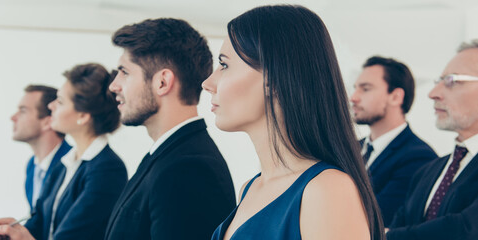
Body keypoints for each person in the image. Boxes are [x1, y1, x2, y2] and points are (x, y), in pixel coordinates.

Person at [202, 5, 384, 240]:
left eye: (224, 65)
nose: (208, 82)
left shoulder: (327, 189)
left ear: (274, 79)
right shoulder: (250, 188)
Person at [104, 18, 236, 240]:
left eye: (125, 72)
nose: (113, 85)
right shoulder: (167, 155)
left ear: (163, 82)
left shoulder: (189, 169)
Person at [0, 63, 128, 240]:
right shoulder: (64, 164)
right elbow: (38, 222)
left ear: (83, 116)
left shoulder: (107, 169)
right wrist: (11, 232)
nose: (51, 106)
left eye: (60, 101)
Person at [386, 40, 478, 240]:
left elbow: (467, 230)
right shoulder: (427, 172)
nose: (432, 93)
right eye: (439, 81)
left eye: (451, 81)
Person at [350, 56, 437, 225]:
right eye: (355, 89)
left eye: (365, 89)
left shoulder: (419, 157)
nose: (354, 97)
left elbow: (376, 219)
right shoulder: (351, 147)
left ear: (396, 97)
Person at [11, 85, 71, 210]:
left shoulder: (72, 163)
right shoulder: (32, 165)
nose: (13, 117)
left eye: (23, 111)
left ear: (47, 122)